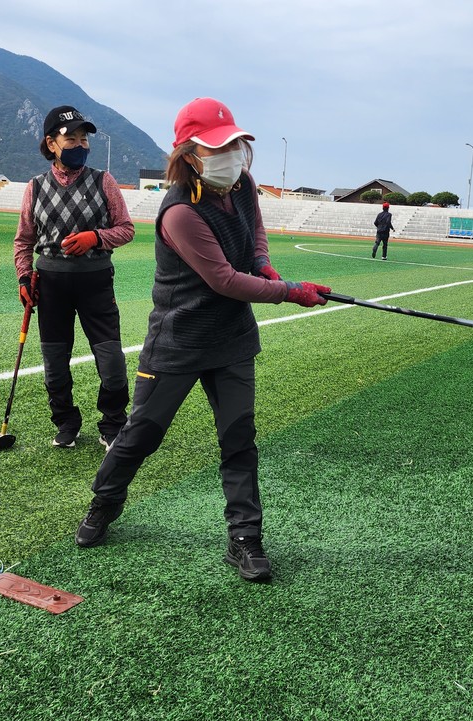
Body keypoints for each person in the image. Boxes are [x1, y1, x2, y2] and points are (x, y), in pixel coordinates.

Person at [74, 97, 332, 582]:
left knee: (239, 439)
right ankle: (105, 501)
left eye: (234, 144)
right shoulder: (179, 213)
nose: (230, 155)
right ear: (189, 155)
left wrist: (263, 263)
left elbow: (255, 233)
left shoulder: (244, 184)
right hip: (179, 341)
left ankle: (245, 538)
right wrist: (290, 291)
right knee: (142, 434)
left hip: (232, 340)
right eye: (217, 148)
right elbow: (224, 281)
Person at [12, 105, 134, 450]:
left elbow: (126, 229)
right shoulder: (36, 187)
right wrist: (24, 277)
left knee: (111, 360)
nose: (80, 145)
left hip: (96, 282)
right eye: (71, 139)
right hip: (51, 285)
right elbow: (24, 240)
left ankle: (113, 422)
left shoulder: (103, 181)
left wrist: (96, 237)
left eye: (84, 139)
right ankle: (66, 421)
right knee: (54, 362)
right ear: (52, 143)